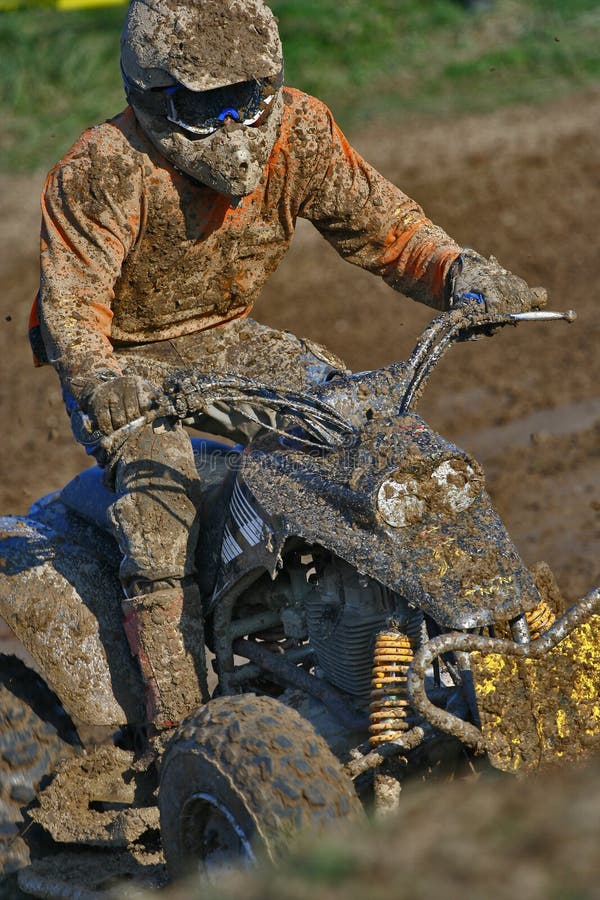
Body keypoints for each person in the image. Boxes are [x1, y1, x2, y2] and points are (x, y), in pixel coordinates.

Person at [29, 0, 546, 731]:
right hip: (126, 361)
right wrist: (99, 382)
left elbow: (387, 228)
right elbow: (74, 313)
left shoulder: (298, 129)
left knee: (369, 435)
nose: (235, 128)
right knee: (157, 513)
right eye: (207, 106)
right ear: (150, 99)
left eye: (249, 98)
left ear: (273, 82)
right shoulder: (103, 168)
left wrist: (462, 272)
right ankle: (182, 730)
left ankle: (472, 647)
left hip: (232, 337)